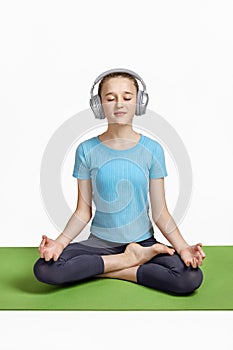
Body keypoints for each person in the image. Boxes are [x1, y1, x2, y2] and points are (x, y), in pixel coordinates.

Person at [33, 68, 206, 295]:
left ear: (139, 102)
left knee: (189, 277)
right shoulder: (86, 150)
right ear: (99, 105)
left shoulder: (152, 149)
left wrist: (183, 248)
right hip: (99, 245)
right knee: (46, 269)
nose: (119, 104)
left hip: (144, 244)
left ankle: (106, 267)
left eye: (127, 97)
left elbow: (160, 212)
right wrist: (59, 243)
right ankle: (128, 261)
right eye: (110, 98)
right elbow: (82, 211)